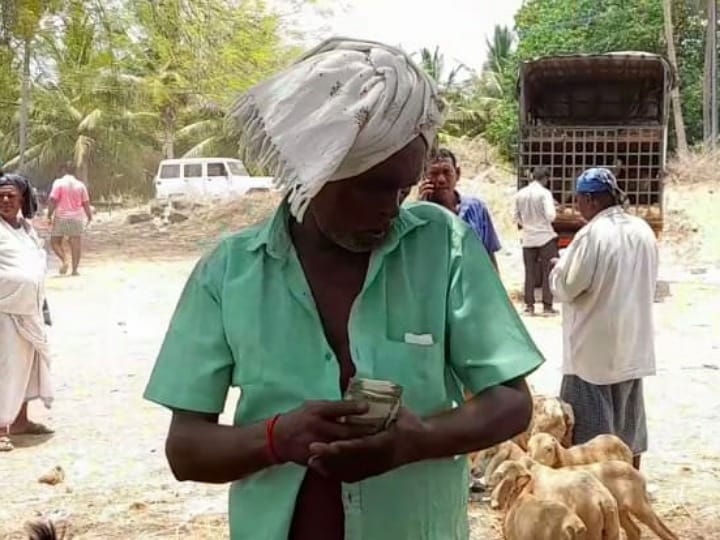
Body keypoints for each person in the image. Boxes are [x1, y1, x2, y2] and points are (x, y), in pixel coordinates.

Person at [144, 38, 544, 540]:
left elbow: (511, 401)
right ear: (314, 168)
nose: (391, 208)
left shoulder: (444, 248)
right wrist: (275, 439)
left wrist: (415, 441)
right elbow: (186, 449)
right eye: (373, 187)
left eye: (402, 189)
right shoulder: (227, 274)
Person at [550, 168, 658, 471]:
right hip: (632, 345)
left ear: (589, 199)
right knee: (628, 430)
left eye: (578, 200)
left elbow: (568, 286)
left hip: (592, 354)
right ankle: (630, 489)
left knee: (590, 440)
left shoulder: (592, 234)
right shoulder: (642, 230)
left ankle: (596, 499)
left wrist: (557, 269)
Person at [0, 173, 54, 452]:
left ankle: (20, 421)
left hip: (29, 311)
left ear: (22, 198)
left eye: (12, 195)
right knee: (5, 370)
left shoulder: (27, 230)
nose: (6, 200)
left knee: (28, 368)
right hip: (5, 311)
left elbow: (35, 266)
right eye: (1, 196)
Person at [419, 148, 502, 270]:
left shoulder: (476, 208)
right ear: (424, 177)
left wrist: (496, 287)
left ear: (457, 174)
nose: (441, 180)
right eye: (434, 173)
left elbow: (489, 254)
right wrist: (422, 209)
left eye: (447, 172)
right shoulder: (418, 215)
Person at [514, 166, 558, 315]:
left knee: (529, 273)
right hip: (545, 237)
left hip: (528, 238)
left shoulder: (520, 194)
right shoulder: (545, 194)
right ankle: (547, 306)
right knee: (549, 272)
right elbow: (551, 216)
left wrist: (527, 224)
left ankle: (529, 306)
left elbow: (516, 217)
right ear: (545, 179)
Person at [47, 162, 92, 276]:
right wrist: (89, 216)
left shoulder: (58, 183)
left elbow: (53, 200)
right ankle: (75, 270)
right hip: (77, 217)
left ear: (63, 170)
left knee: (55, 242)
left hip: (62, 216)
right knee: (76, 244)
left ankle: (65, 260)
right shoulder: (80, 185)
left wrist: (49, 214)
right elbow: (86, 203)